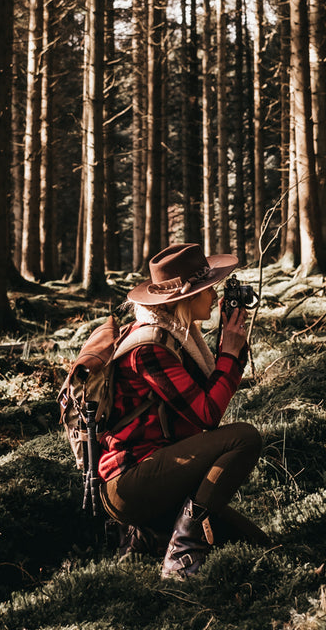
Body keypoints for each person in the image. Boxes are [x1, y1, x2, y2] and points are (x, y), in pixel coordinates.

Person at [98, 242, 268, 579]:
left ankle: (148, 537)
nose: (214, 295)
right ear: (187, 298)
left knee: (258, 545)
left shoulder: (179, 338)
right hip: (129, 483)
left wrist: (229, 347)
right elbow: (207, 414)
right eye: (209, 289)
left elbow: (200, 406)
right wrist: (229, 354)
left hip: (162, 474)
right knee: (244, 438)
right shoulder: (149, 347)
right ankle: (181, 557)